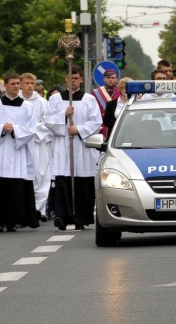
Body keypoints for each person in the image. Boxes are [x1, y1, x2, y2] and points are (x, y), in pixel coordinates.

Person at [0, 72, 39, 233]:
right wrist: (1, 128)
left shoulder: (27, 107)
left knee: (15, 188)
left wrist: (15, 130)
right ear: (5, 85)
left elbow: (31, 129)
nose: (16, 86)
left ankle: (13, 221)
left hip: (17, 150)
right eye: (13, 84)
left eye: (18, 84)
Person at [45, 65, 102, 231]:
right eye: (70, 78)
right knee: (63, 181)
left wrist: (79, 129)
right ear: (66, 79)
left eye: (76, 78)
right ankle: (62, 216)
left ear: (81, 80)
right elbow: (47, 120)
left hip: (82, 147)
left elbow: (97, 122)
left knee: (82, 184)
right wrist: (63, 115)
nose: (73, 81)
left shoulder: (89, 99)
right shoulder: (55, 100)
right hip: (63, 146)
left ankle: (81, 218)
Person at [20, 73, 53, 220]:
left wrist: (31, 130)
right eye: (27, 83)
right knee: (24, 176)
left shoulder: (41, 102)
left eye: (32, 83)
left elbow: (48, 123)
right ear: (20, 84)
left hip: (37, 143)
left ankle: (39, 209)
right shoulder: (16, 101)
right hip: (20, 144)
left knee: (41, 176)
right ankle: (24, 209)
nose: (30, 86)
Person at [91, 68, 119, 139]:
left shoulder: (120, 92)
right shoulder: (96, 92)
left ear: (116, 79)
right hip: (100, 125)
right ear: (104, 79)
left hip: (115, 125)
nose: (110, 80)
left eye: (112, 78)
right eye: (107, 77)